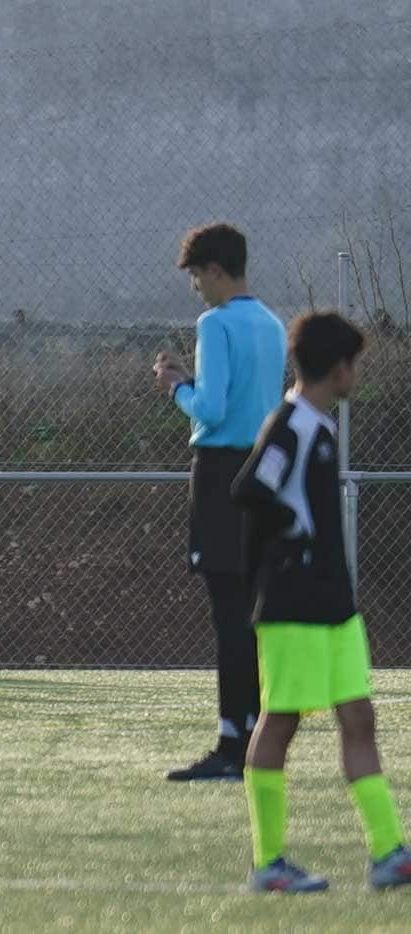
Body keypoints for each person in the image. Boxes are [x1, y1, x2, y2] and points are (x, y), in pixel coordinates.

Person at [233, 311, 411, 892]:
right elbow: (252, 488)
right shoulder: (292, 425)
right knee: (280, 722)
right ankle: (269, 863)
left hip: (335, 605)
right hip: (293, 603)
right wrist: (296, 535)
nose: (356, 373)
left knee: (359, 716)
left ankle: (390, 854)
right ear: (338, 368)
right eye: (354, 364)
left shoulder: (320, 426)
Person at [153, 222, 286, 781]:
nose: (196, 291)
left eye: (195, 278)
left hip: (221, 475)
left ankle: (234, 747)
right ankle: (260, 740)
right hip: (264, 474)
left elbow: (210, 407)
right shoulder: (273, 324)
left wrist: (176, 386)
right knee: (256, 615)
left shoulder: (217, 321)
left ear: (212, 270)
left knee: (229, 616)